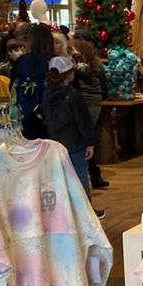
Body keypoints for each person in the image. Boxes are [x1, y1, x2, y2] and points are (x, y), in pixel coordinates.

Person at [41, 55, 99, 214]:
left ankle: (66, 212)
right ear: (69, 74)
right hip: (75, 143)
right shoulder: (73, 95)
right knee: (80, 177)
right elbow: (83, 121)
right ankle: (86, 212)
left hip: (55, 143)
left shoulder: (46, 94)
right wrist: (90, 142)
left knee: (60, 178)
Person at [72, 38, 110, 192]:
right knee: (90, 138)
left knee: (84, 138)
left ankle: (91, 175)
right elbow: (104, 82)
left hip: (82, 102)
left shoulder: (78, 66)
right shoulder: (96, 64)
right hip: (95, 102)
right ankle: (94, 175)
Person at [12, 24, 55, 139]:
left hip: (24, 112)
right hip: (49, 113)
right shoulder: (53, 61)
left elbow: (12, 86)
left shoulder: (21, 61)